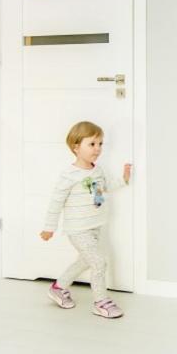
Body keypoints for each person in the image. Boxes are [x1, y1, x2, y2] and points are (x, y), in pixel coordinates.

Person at [40, 121, 132, 319]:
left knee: (84, 261)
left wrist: (124, 179)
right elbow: (56, 202)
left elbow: (103, 187)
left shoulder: (97, 170)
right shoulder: (69, 175)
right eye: (92, 144)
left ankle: (58, 287)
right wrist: (49, 227)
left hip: (95, 226)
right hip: (78, 229)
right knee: (99, 263)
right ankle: (101, 302)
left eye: (100, 144)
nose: (97, 149)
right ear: (76, 147)